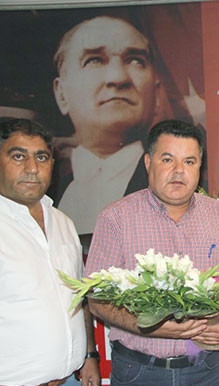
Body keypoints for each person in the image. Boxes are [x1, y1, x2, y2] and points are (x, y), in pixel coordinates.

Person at [85, 119, 219, 386]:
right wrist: (152, 326)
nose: (179, 171)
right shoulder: (116, 218)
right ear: (148, 162)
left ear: (200, 166)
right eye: (168, 159)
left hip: (203, 373)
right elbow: (97, 299)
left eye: (189, 161)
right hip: (140, 377)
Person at [0, 118, 100, 386]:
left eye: (41, 157)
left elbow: (78, 297)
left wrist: (89, 356)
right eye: (18, 156)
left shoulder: (63, 222)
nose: (32, 168)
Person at [50, 15, 160, 235]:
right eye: (94, 60)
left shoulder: (180, 189)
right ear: (61, 94)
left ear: (157, 93)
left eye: (135, 60)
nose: (118, 78)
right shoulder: (43, 192)